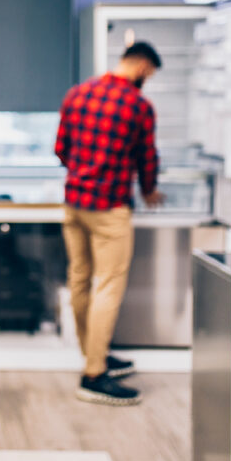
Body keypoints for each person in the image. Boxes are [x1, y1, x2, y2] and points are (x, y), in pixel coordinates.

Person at [54, 41, 164, 407]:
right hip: (110, 207)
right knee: (109, 286)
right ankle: (94, 375)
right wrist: (149, 190)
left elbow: (61, 149)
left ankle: (93, 355)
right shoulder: (138, 105)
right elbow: (147, 158)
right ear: (144, 67)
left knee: (80, 280)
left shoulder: (79, 94)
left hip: (74, 203)